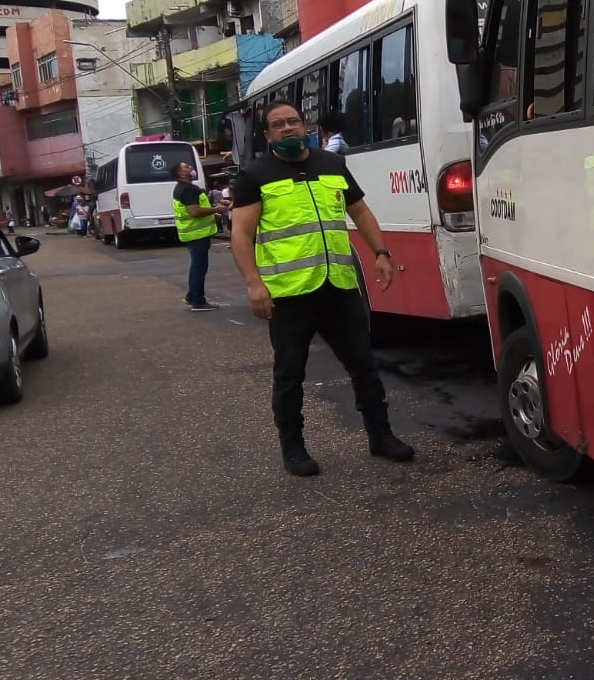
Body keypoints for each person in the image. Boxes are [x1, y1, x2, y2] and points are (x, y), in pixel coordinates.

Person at [229, 100, 413, 476]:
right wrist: (254, 283)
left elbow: (359, 210)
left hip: (338, 287)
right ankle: (294, 449)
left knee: (364, 366)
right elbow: (241, 234)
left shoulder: (332, 164)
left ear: (304, 126)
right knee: (289, 374)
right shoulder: (254, 175)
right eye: (277, 125)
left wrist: (380, 251)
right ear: (267, 135)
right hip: (289, 294)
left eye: (293, 121)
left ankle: (381, 436)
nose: (287, 129)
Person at [171, 161, 229, 311]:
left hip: (193, 234)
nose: (191, 168)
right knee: (199, 267)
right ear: (181, 174)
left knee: (197, 266)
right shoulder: (187, 190)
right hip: (197, 234)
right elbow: (194, 212)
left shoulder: (182, 188)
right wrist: (216, 209)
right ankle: (198, 301)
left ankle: (191, 296)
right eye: (186, 167)